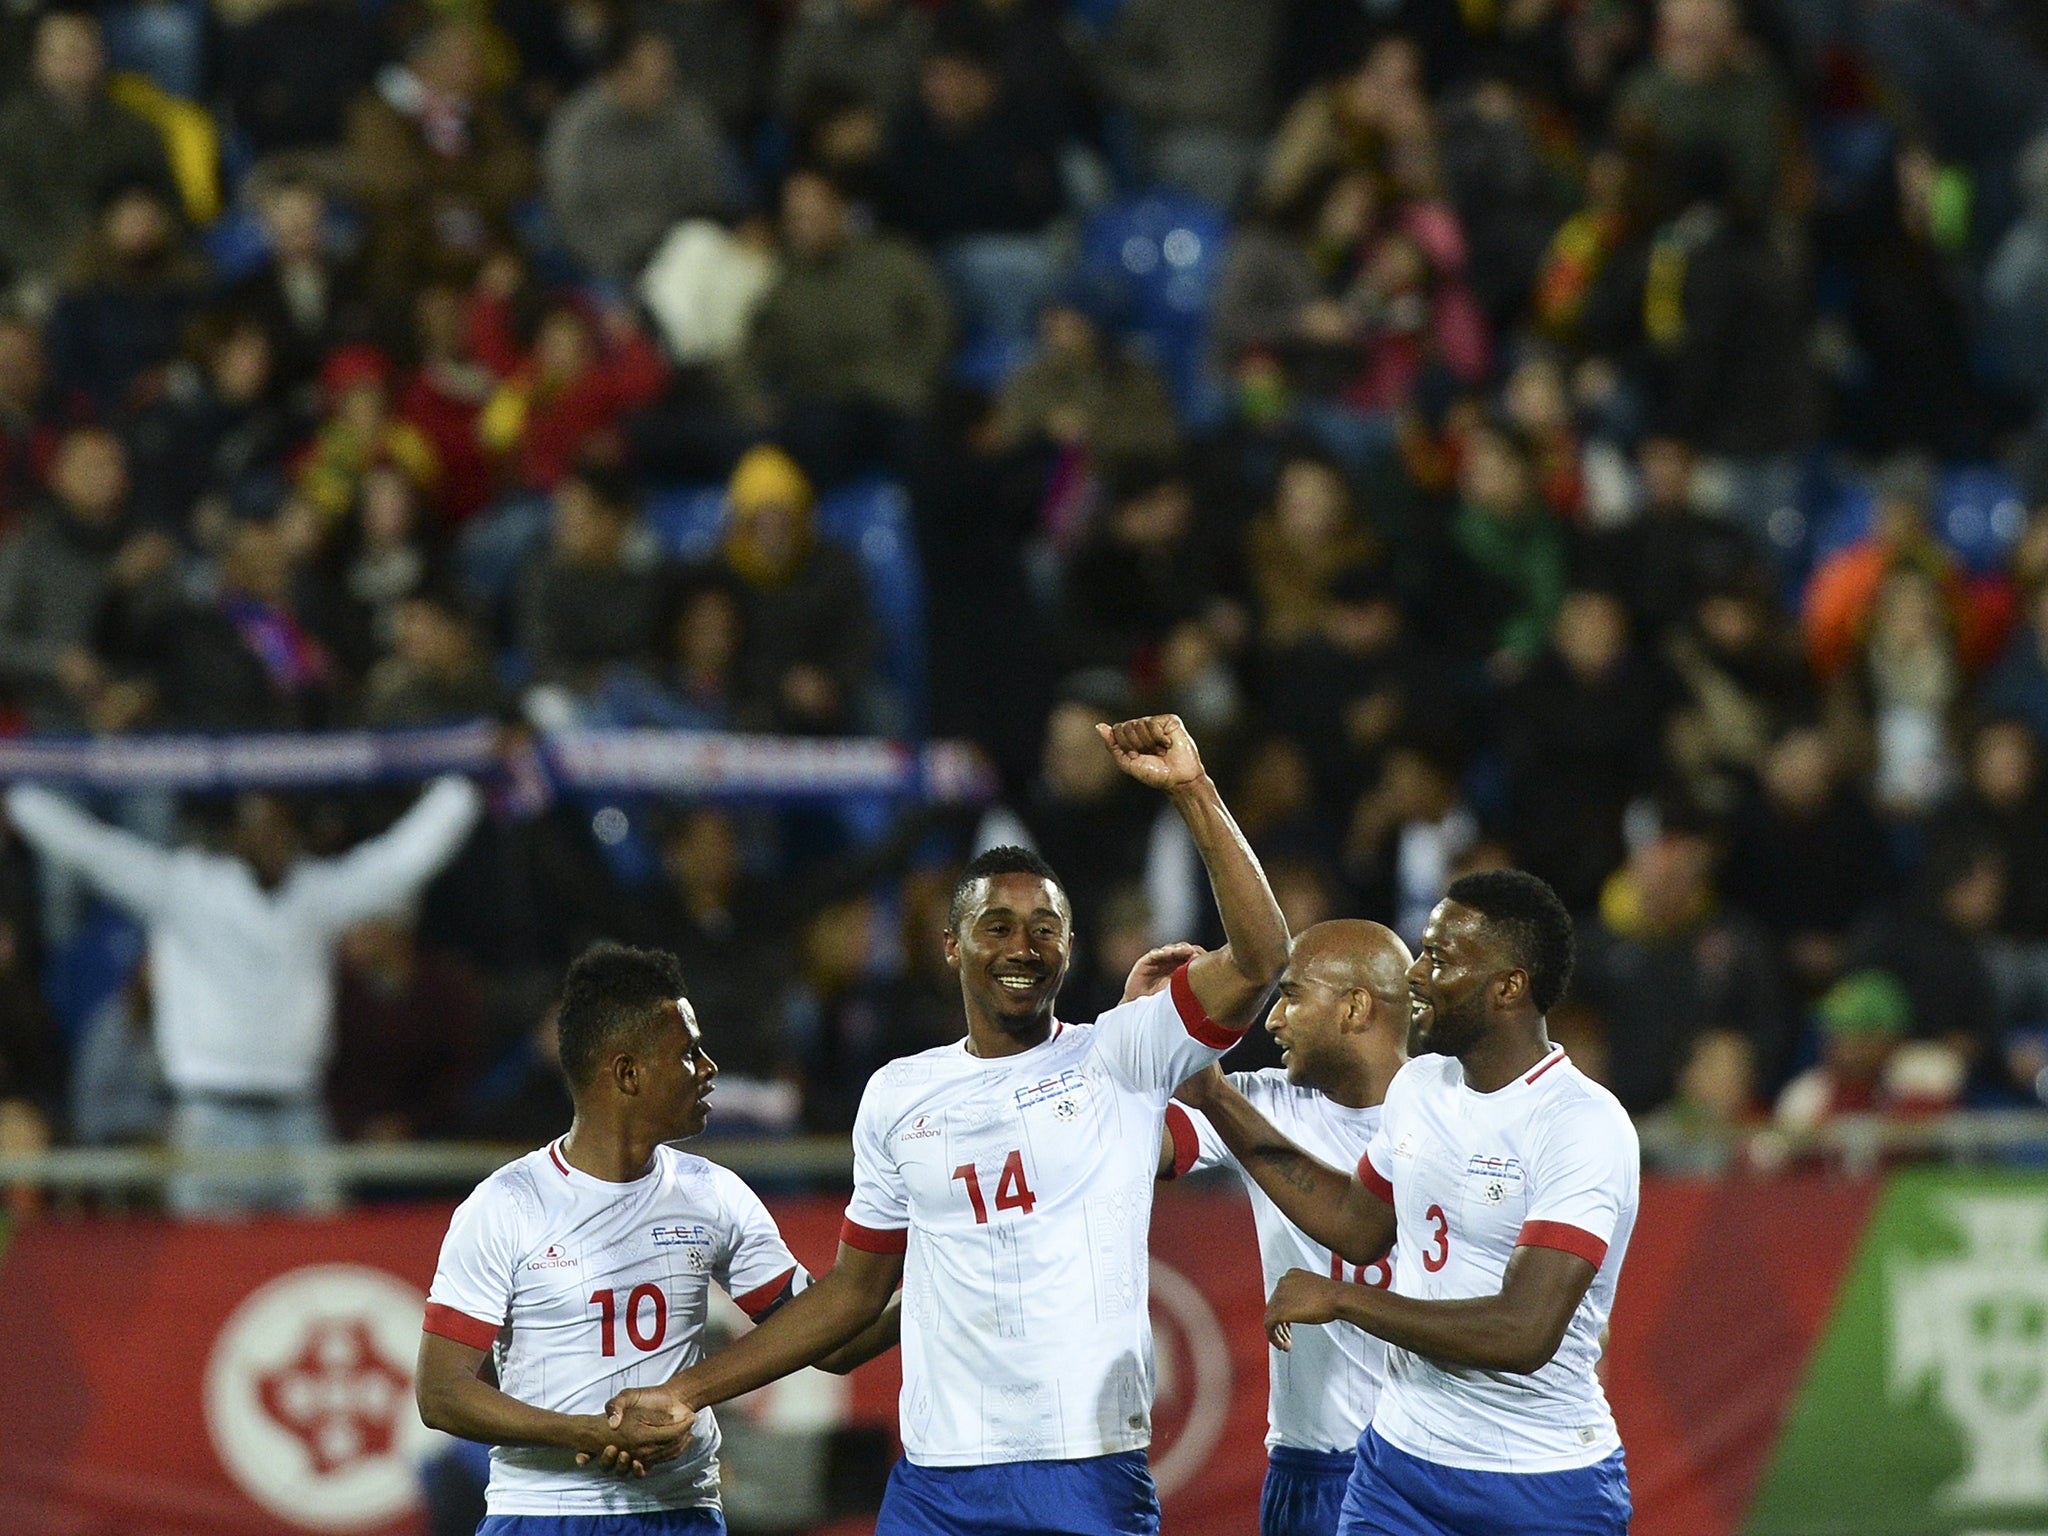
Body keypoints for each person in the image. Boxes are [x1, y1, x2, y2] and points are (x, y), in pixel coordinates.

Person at [596, 713, 1290, 1536]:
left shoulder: (1123, 1053)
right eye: (997, 926)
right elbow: (853, 1295)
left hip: (1086, 1468)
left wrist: (1193, 790)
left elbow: (1260, 956)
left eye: (1045, 929)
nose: (1022, 946)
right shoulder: (898, 1094)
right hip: (937, 1480)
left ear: (1070, 950)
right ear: (952, 945)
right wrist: (684, 1392)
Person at [1177, 869, 1637, 1536]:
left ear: (1509, 987)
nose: (1415, 975)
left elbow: (1524, 1331)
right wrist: (1217, 1100)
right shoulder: (1421, 1086)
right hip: (1398, 1469)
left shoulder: (1581, 1124)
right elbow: (1358, 1227)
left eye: (1440, 959)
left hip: (1541, 1482)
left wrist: (1343, 1300)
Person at [416, 942, 893, 1534]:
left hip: (681, 1514)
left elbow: (833, 1342)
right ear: (626, 1072)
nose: (709, 1068)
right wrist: (588, 1432)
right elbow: (440, 1393)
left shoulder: (713, 1194)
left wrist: (929, 1285)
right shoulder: (504, 1206)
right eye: (689, 1053)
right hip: (545, 1514)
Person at [2, 774, 482, 1214]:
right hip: (208, 1116)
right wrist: (18, 791)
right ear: (235, 835)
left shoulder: (315, 895)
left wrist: (465, 786)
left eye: (281, 826)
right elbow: (92, 851)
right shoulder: (186, 887)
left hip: (299, 1113)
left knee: (319, 1262)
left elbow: (401, 862)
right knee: (207, 1269)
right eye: (259, 825)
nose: (272, 838)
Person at [1158, 919, 1413, 1536]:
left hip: (1425, 1466)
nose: (1272, 1020)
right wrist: (1138, 1037)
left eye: (1293, 995)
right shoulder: (1262, 1104)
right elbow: (1130, 1146)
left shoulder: (1459, 1114)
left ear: (1355, 1008)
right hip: (1309, 1473)